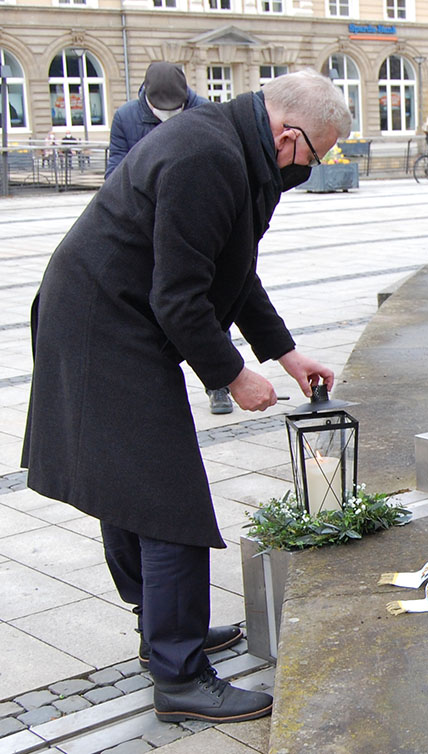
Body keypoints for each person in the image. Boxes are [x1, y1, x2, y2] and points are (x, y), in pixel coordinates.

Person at [22, 70, 351, 724]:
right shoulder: (209, 156)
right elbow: (178, 297)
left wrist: (283, 353)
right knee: (165, 495)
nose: (311, 170)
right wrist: (232, 374)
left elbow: (233, 271)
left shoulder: (240, 151)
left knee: (132, 483)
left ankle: (163, 631)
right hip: (101, 324)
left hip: (109, 316)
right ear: (289, 136)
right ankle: (180, 675)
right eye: (316, 155)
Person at [106, 64, 234, 415]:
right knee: (159, 305)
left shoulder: (205, 111)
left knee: (210, 303)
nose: (167, 116)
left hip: (197, 220)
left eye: (174, 110)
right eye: (160, 111)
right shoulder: (127, 117)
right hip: (149, 222)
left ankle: (218, 384)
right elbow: (115, 172)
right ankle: (148, 390)